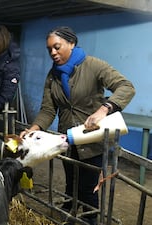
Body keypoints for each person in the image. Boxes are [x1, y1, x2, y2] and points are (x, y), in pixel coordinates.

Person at [20, 26, 135, 225]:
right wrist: (34, 129)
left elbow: (126, 87)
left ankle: (90, 220)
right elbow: (48, 110)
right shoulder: (52, 76)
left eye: (57, 47)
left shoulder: (93, 65)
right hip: (66, 139)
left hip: (92, 140)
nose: (53, 53)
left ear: (71, 43)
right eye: (50, 50)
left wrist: (105, 108)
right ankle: (69, 216)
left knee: (88, 190)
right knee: (71, 183)